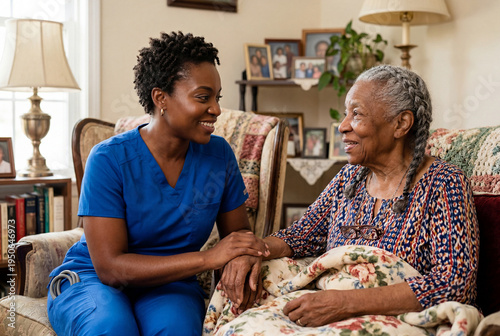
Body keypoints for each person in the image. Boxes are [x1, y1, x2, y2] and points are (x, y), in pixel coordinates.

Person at [218, 64, 479, 327]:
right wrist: (253, 251)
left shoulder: (444, 183)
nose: (342, 126)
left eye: (357, 114)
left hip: (397, 319)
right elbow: (300, 236)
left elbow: (454, 284)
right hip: (331, 306)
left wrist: (344, 303)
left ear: (401, 124)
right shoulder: (349, 178)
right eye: (345, 113)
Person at [47, 31, 269, 336]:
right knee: (111, 328)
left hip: (171, 285)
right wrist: (207, 258)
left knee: (176, 329)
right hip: (94, 279)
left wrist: (243, 257)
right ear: (160, 98)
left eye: (217, 97)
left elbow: (239, 235)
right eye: (203, 97)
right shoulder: (108, 159)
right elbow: (110, 268)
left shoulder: (219, 155)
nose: (216, 109)